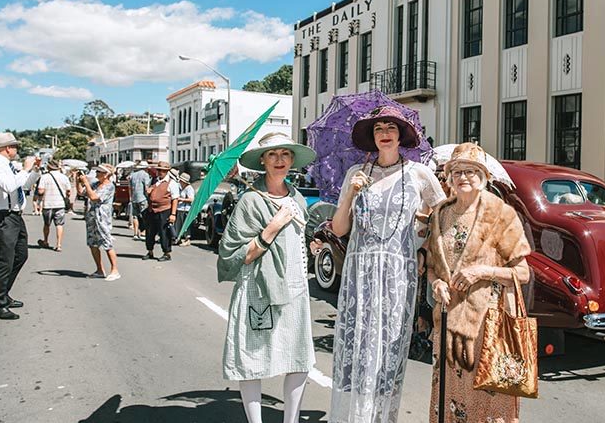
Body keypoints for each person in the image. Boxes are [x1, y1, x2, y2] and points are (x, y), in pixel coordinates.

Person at [328, 106, 446, 423]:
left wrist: (425, 251)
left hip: (398, 271)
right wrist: (350, 196)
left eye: (391, 127)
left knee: (388, 344)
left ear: (400, 135)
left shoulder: (420, 174)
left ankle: (380, 417)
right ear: (372, 136)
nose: (384, 133)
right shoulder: (356, 174)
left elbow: (442, 217)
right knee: (358, 343)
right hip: (359, 271)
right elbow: (339, 228)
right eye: (378, 128)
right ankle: (351, 416)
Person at [425, 143, 532, 423]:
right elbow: (432, 269)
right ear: (448, 177)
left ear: (484, 176)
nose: (464, 177)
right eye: (457, 171)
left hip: (488, 324)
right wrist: (436, 284)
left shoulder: (502, 214)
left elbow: (523, 273)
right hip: (448, 323)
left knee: (487, 400)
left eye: (472, 171)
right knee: (450, 397)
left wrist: (483, 271)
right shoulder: (440, 215)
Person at [218, 132, 317, 423]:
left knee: (299, 359)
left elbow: (298, 239)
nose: (279, 160)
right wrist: (271, 228)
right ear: (262, 160)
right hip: (258, 288)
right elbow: (234, 254)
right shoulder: (249, 200)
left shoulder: (296, 196)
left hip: (296, 286)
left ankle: (291, 419)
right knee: (253, 359)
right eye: (272, 154)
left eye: (285, 154)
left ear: (292, 160)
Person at [0, 133, 37, 320]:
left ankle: (3, 295)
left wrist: (33, 170)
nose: (17, 150)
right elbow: (9, 186)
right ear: (7, 148)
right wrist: (26, 169)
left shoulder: (6, 166)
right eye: (15, 147)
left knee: (20, 255)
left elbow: (23, 185)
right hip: (1, 216)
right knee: (6, 260)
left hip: (13, 215)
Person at [77, 164, 120, 281]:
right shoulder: (95, 184)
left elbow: (95, 197)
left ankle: (114, 269)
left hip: (102, 218)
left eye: (99, 172)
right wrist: (78, 181)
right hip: (91, 217)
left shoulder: (109, 186)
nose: (97, 174)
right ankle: (99, 269)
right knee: (92, 243)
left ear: (106, 174)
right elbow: (82, 192)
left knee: (106, 243)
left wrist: (86, 182)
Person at [143, 161, 179, 262]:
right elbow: (149, 193)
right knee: (150, 233)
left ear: (167, 171)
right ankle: (150, 251)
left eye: (162, 171)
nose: (160, 172)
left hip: (164, 210)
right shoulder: (154, 181)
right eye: (159, 170)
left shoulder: (172, 183)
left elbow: (175, 199)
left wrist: (173, 214)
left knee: (164, 233)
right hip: (152, 210)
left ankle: (167, 253)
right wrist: (148, 192)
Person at [37, 159, 71, 252]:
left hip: (48, 204)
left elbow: (40, 190)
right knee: (59, 224)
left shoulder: (44, 177)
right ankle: (59, 244)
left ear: (49, 167)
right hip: (60, 204)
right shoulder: (64, 177)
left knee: (47, 224)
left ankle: (46, 241)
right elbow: (68, 191)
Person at [128, 161, 151, 240]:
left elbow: (130, 188)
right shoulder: (145, 175)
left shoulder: (132, 175)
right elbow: (147, 187)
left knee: (135, 216)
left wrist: (131, 197)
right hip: (143, 198)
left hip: (134, 198)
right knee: (144, 215)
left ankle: (135, 233)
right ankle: (143, 233)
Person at [174, 172, 194, 246]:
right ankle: (178, 238)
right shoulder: (180, 187)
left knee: (185, 225)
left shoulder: (189, 188)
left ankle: (187, 239)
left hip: (186, 209)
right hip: (180, 208)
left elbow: (191, 199)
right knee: (178, 225)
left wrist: (181, 199)